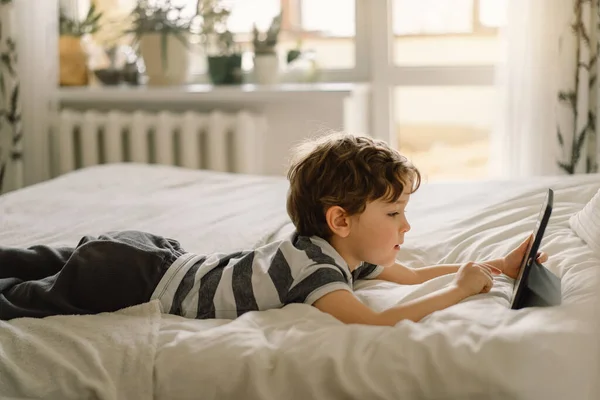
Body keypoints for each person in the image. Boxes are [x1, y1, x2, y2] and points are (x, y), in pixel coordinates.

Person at [0, 133, 548, 324]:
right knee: (23, 299)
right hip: (133, 281)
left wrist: (496, 267)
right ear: (341, 220)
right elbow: (376, 323)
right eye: (393, 213)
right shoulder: (316, 272)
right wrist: (456, 291)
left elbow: (408, 275)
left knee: (32, 259)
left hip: (148, 253)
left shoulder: (337, 251)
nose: (406, 224)